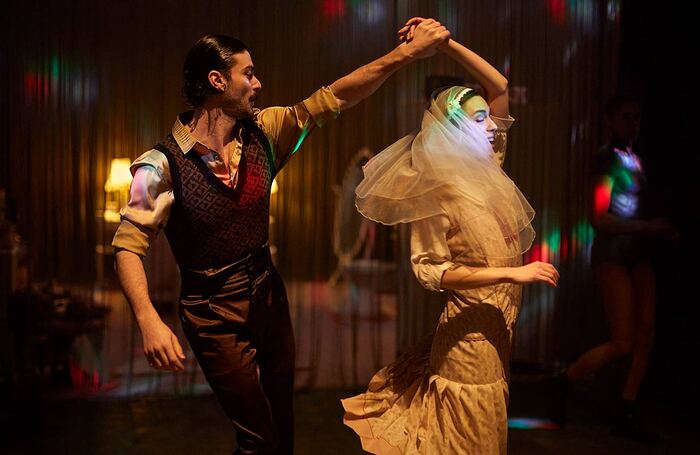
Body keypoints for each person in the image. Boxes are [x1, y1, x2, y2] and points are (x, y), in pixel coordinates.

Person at [112, 24, 451, 455]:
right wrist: (147, 320)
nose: (258, 84)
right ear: (217, 80)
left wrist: (404, 55)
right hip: (211, 312)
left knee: (282, 430)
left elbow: (336, 97)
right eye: (248, 74)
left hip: (268, 295)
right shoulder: (157, 167)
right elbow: (127, 246)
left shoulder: (265, 132)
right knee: (258, 438)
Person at [341, 17, 559, 455]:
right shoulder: (437, 190)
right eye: (479, 119)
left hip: (497, 334)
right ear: (454, 128)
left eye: (488, 119)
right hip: (466, 343)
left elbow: (499, 86)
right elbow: (432, 271)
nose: (492, 125)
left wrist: (445, 44)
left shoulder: (490, 167)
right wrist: (512, 275)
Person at [558, 96, 675, 443]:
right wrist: (646, 227)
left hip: (638, 253)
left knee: (646, 336)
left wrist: (656, 230)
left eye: (637, 117)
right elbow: (599, 217)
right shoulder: (607, 159)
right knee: (623, 341)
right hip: (614, 254)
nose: (633, 124)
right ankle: (564, 382)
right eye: (626, 117)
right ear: (610, 120)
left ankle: (627, 410)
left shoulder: (635, 159)